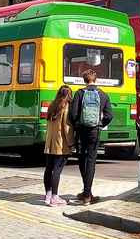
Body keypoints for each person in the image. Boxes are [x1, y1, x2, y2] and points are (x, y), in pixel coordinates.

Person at [69, 69, 113, 205]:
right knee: (91, 161)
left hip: (81, 130)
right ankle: (88, 194)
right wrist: (100, 124)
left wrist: (77, 125)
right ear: (96, 79)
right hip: (95, 131)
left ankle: (86, 193)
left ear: (84, 80)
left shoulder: (79, 93)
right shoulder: (103, 95)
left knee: (82, 159)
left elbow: (73, 114)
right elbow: (109, 115)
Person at [43, 85, 75, 206]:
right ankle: (55, 198)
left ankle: (48, 195)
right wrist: (71, 143)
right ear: (68, 95)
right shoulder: (65, 107)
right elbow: (67, 128)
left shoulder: (52, 105)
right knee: (57, 170)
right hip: (60, 144)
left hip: (50, 142)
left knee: (48, 169)